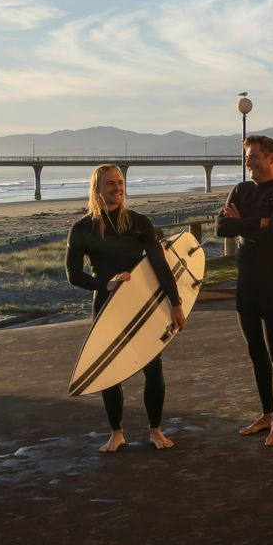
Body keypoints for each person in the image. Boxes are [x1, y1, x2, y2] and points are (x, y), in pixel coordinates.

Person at [66, 165, 186, 453]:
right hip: (107, 304)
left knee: (152, 368)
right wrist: (106, 285)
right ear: (97, 188)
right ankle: (116, 432)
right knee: (109, 368)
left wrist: (176, 303)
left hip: (142, 304)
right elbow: (73, 274)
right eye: (110, 184)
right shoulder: (83, 228)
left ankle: (155, 429)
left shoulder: (139, 222)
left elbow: (160, 265)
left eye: (120, 183)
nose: (117, 188)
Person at [218, 135, 273, 446]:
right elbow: (220, 228)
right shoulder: (241, 190)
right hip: (247, 285)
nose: (248, 162)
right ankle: (266, 414)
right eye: (246, 157)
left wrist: (245, 225)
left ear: (272, 160)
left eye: (254, 156)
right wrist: (259, 222)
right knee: (256, 354)